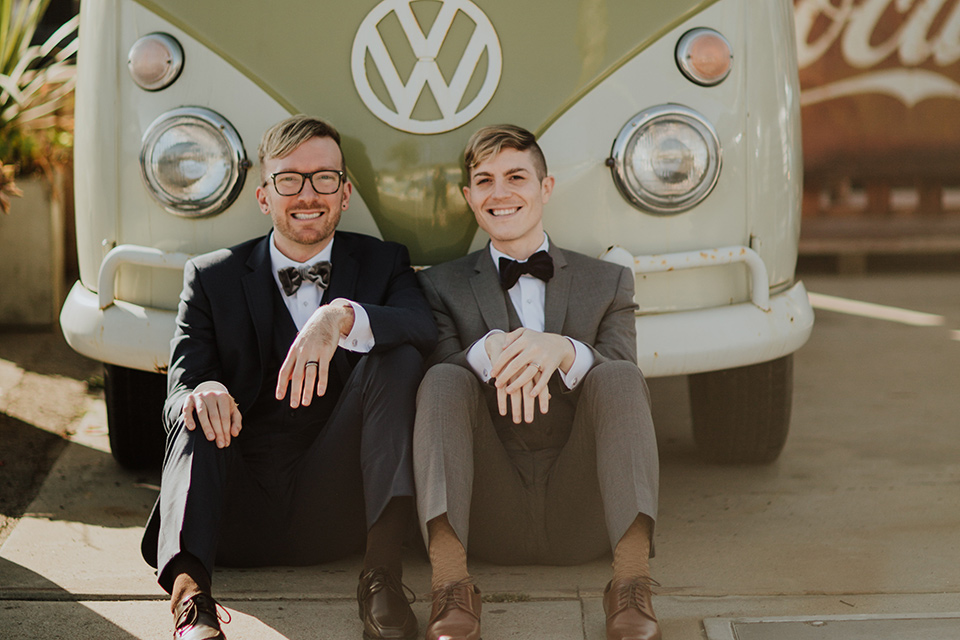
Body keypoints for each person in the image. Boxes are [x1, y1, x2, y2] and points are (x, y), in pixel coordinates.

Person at [140, 115, 437, 640]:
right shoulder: (212, 277)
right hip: (235, 509)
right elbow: (177, 388)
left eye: (324, 178)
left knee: (400, 355)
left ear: (345, 193)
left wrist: (340, 316)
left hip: (335, 511)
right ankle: (190, 601)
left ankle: (383, 579)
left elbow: (423, 328)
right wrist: (200, 390)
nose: (308, 194)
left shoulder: (383, 261)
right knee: (194, 403)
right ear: (263, 196)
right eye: (289, 179)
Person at [413, 125, 661, 640]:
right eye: (484, 181)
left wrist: (564, 350)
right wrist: (486, 351)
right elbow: (435, 382)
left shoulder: (608, 280)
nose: (500, 193)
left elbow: (624, 382)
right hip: (488, 510)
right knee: (440, 378)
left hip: (583, 511)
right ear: (469, 197)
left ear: (545, 188)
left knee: (618, 375)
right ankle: (450, 585)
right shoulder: (440, 284)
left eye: (516, 177)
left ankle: (632, 585)